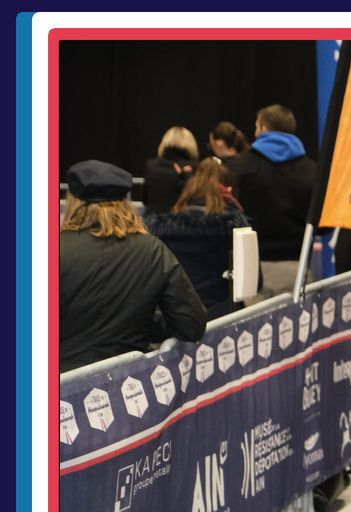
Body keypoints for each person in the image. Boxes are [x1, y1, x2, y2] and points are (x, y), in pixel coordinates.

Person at [59, 159, 207, 372]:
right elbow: (191, 324)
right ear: (125, 203)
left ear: (73, 202)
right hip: (129, 380)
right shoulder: (153, 250)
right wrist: (141, 320)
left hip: (62, 381)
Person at [224, 104, 318, 297]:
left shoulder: (237, 167)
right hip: (297, 267)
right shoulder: (313, 171)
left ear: (263, 128)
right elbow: (323, 224)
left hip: (251, 268)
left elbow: (225, 216)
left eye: (256, 127)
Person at [144, 157, 253, 320]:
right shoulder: (235, 229)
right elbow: (253, 281)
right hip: (223, 315)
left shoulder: (162, 229)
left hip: (177, 317)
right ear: (229, 190)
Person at [142, 125, 200, 215]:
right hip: (183, 220)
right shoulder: (196, 168)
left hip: (153, 219)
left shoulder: (151, 166)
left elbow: (145, 199)